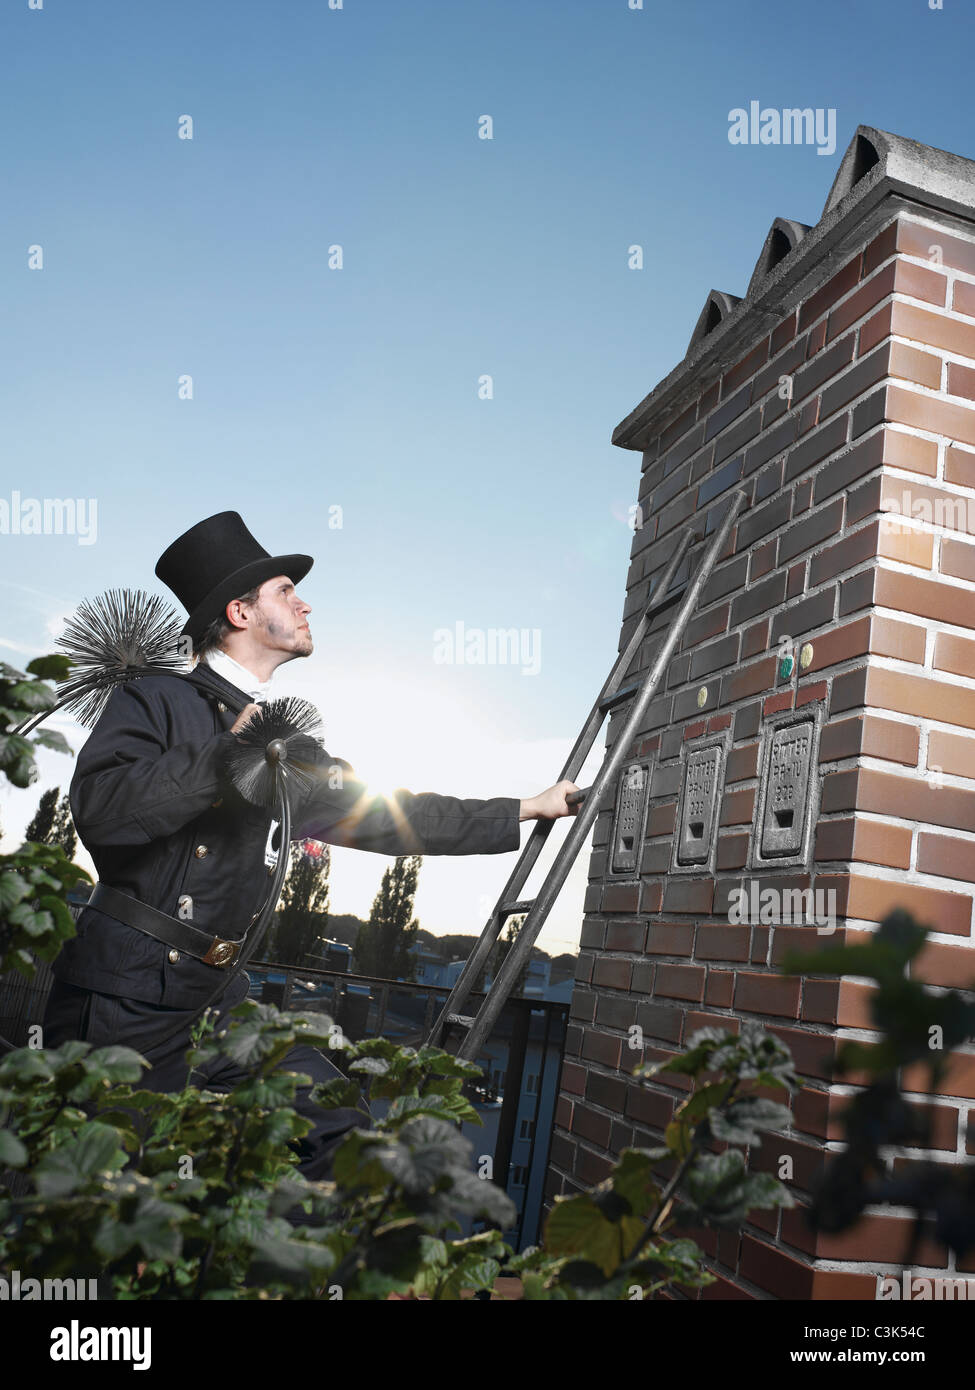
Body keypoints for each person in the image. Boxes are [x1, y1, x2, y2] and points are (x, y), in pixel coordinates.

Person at [42, 510, 579, 1181]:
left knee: (340, 1139)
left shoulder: (287, 745)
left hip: (217, 999)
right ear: (240, 612)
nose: (304, 603)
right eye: (284, 592)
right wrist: (222, 758)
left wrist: (524, 808)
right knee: (105, 1209)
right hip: (125, 999)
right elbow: (101, 811)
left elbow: (393, 815)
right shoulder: (154, 697)